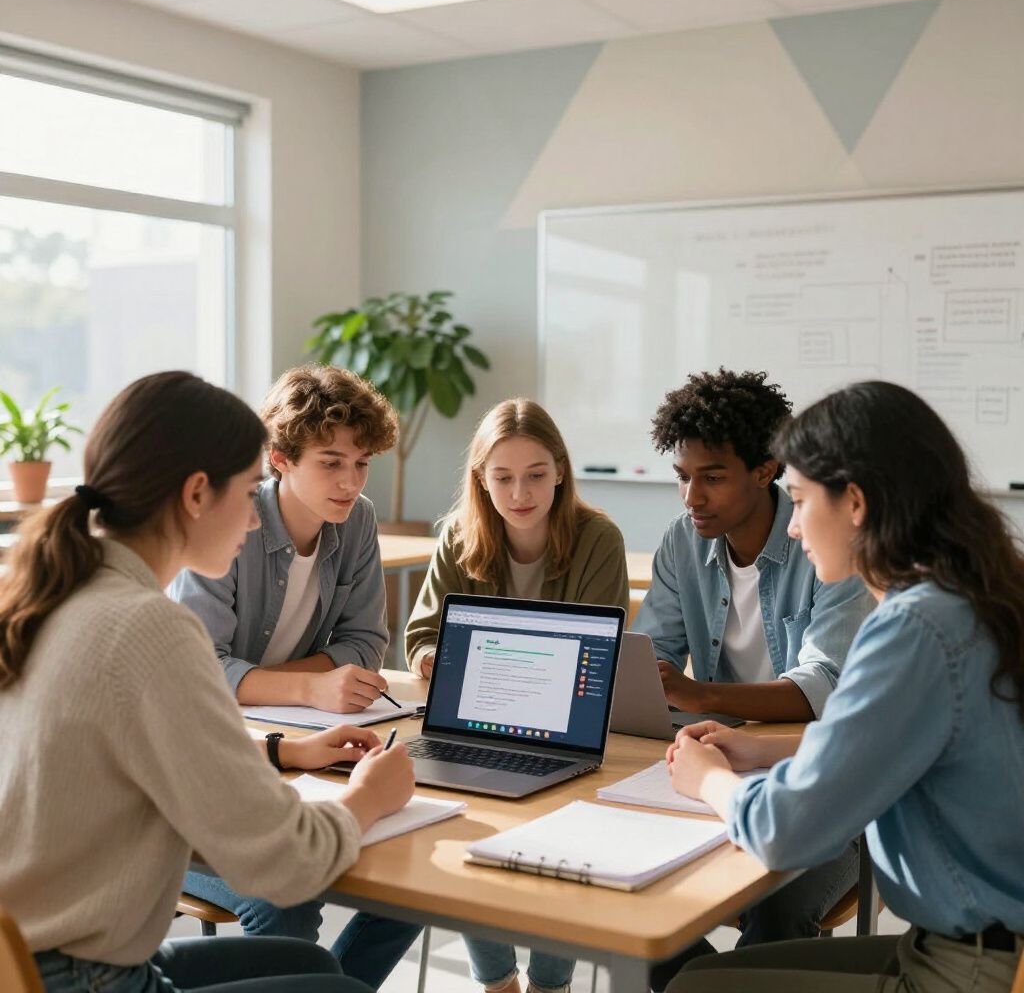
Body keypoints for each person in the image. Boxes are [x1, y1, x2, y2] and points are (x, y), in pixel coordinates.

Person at [0, 371, 415, 993]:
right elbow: (285, 862)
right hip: (83, 977)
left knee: (316, 967)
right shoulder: (151, 629)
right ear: (197, 494)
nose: (254, 519)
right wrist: (368, 799)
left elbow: (121, 751)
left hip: (47, 956)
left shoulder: (58, 593)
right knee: (343, 991)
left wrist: (280, 750)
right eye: (250, 492)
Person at [666, 380, 1024, 991]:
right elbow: (896, 740)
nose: (796, 528)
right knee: (699, 972)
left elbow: (783, 832)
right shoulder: (964, 600)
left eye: (801, 501)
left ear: (854, 503)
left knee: (696, 986)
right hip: (971, 949)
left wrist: (710, 781)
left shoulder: (911, 627)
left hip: (968, 972)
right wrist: (761, 749)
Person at [169, 364, 421, 989]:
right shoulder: (230, 522)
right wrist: (308, 686)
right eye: (331, 462)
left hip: (272, 749)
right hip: (204, 784)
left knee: (412, 872)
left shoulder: (356, 520)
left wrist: (264, 691)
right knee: (289, 893)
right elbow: (203, 670)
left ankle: (325, 986)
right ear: (279, 460)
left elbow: (366, 643)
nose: (350, 481)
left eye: (362, 463)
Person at [632, 369, 876, 985]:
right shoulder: (681, 542)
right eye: (683, 478)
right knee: (633, 903)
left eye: (712, 478)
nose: (692, 499)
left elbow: (823, 687)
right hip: (727, 759)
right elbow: (651, 656)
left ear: (767, 471)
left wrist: (696, 693)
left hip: (820, 783)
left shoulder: (830, 542)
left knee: (774, 906)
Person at [406, 397, 629, 993]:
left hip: (565, 736)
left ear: (560, 470)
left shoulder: (597, 538)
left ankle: (550, 985)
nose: (520, 493)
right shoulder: (459, 535)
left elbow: (595, 658)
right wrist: (431, 658)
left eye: (535, 475)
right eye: (502, 477)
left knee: (571, 826)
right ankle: (497, 982)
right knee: (462, 825)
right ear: (480, 478)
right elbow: (423, 634)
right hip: (477, 726)